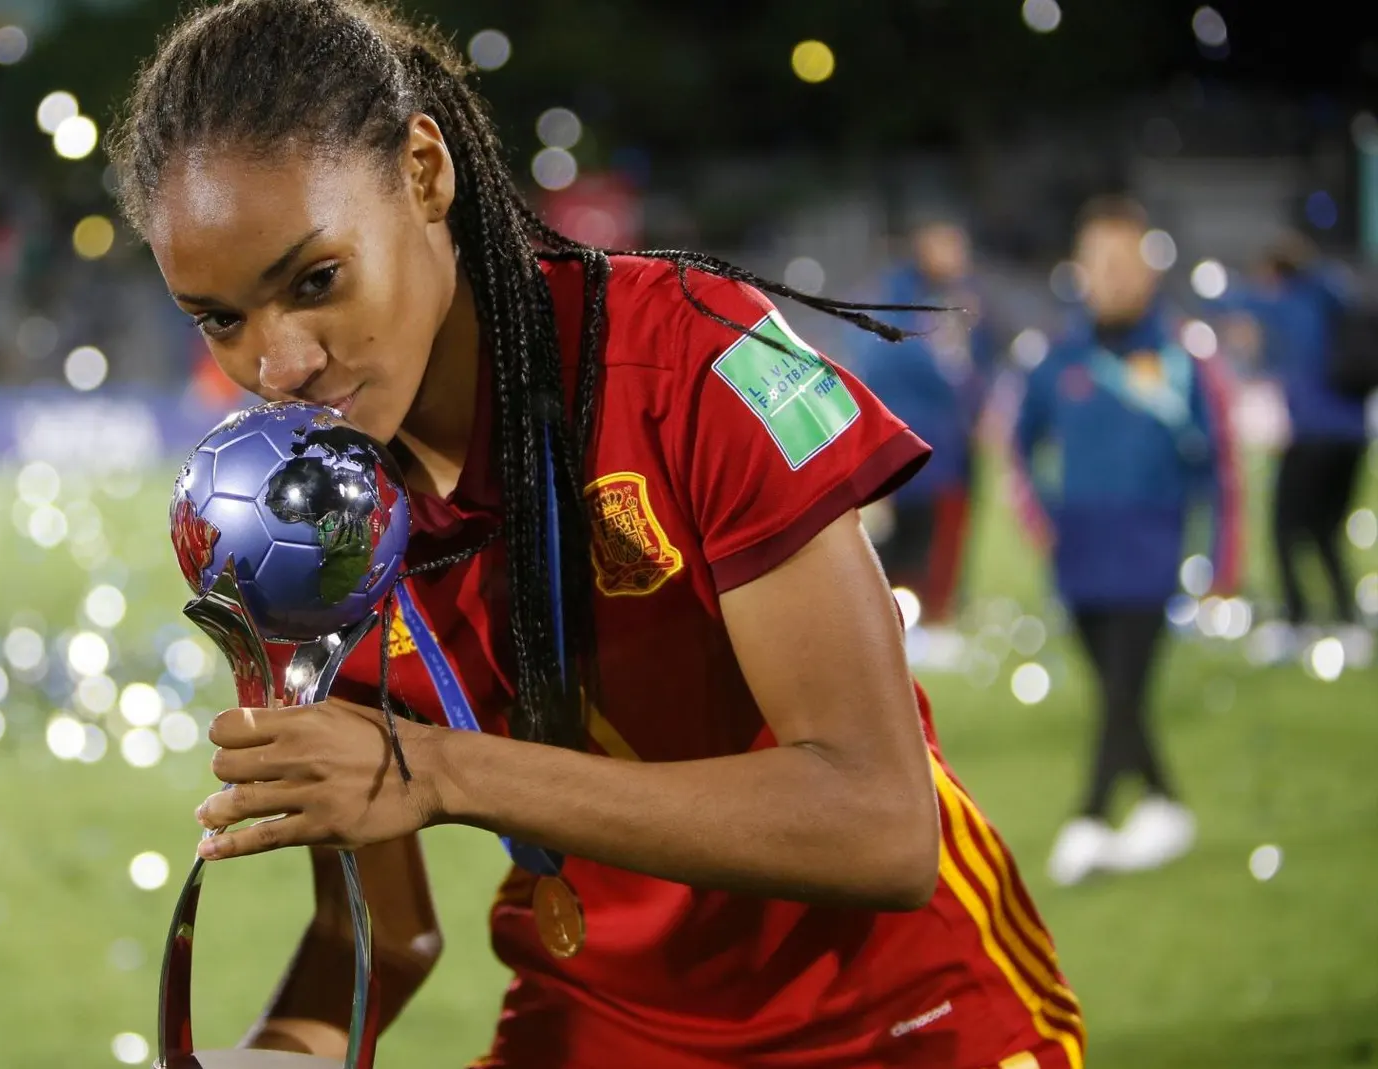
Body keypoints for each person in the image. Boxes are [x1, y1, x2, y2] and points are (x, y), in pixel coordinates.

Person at [113, 2, 1082, 1066]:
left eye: (316, 281)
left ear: (424, 172)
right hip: (602, 1021)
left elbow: (879, 823)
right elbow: (377, 934)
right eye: (220, 318)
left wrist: (442, 771)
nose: (279, 362)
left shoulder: (695, 358)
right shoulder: (285, 524)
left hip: (894, 1013)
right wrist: (269, 1057)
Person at [1010, 195, 1243, 888]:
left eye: (1123, 261)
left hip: (1150, 553)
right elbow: (1020, 446)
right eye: (1097, 262)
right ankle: (1167, 804)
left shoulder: (1183, 357)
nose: (1110, 276)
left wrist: (1225, 556)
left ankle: (1087, 820)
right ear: (1079, 269)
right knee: (1120, 695)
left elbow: (1221, 468)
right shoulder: (1057, 360)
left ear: (1147, 268)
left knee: (1120, 693)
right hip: (1078, 559)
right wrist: (1045, 522)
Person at [1201, 229, 1370, 657]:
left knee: (1283, 528)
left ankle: (1296, 620)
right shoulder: (1335, 296)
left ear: (1275, 272)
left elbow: (1229, 304)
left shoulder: (1289, 302)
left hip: (1314, 434)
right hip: (1354, 437)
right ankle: (1348, 619)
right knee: (1326, 531)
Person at [852, 214, 1000, 666]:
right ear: (923, 246)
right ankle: (903, 626)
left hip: (953, 445)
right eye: (946, 245)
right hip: (909, 444)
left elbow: (978, 364)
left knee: (946, 533)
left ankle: (937, 620)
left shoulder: (960, 299)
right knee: (901, 538)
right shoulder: (896, 299)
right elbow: (889, 364)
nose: (957, 257)